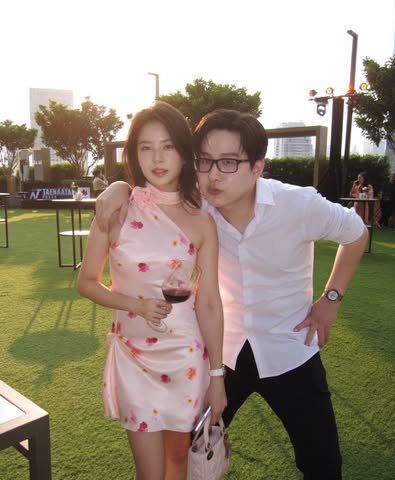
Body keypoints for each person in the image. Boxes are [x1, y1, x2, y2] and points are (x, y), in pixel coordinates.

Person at [95, 108, 368, 480]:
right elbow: (153, 187)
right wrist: (119, 187)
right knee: (187, 453)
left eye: (227, 163)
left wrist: (330, 300)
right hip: (224, 352)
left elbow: (356, 233)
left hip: (290, 348)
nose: (212, 175)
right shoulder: (196, 205)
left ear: (257, 167)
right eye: (204, 161)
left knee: (323, 464)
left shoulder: (298, 204)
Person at [77, 102, 226, 480]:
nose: (157, 159)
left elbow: (209, 302)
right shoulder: (115, 211)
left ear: (184, 153)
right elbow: (86, 281)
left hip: (185, 354)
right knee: (149, 472)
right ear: (133, 154)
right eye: (146, 147)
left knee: (178, 460)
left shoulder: (202, 222)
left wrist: (217, 375)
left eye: (168, 146)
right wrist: (135, 305)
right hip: (134, 356)